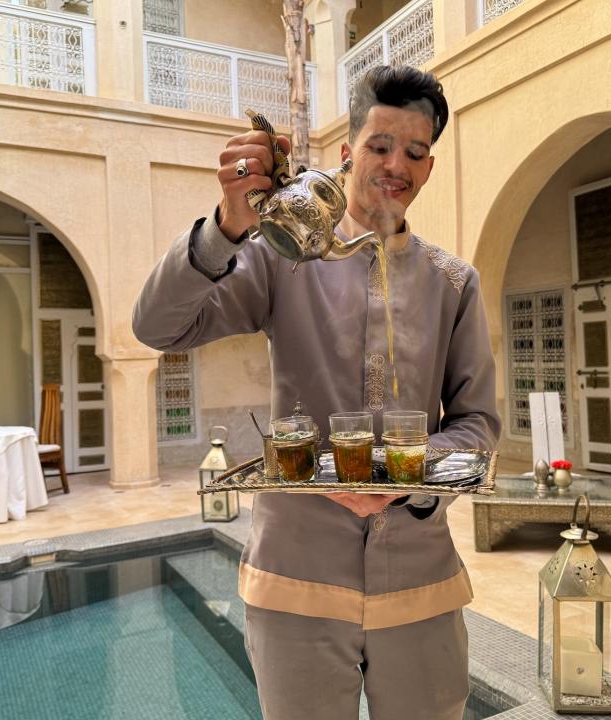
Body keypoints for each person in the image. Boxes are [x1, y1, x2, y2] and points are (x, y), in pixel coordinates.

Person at [133, 65, 501, 720]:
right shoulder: (281, 260)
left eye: (414, 153)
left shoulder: (453, 283)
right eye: (380, 145)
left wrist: (405, 477)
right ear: (346, 153)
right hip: (294, 587)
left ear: (429, 168)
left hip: (421, 589)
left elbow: (476, 427)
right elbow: (160, 327)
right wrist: (226, 226)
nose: (395, 165)